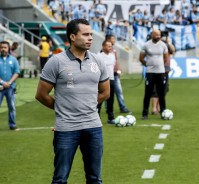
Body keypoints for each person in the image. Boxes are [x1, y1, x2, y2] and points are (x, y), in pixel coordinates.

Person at [35, 19, 110, 184]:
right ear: (73, 37)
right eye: (85, 34)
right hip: (66, 129)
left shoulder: (98, 61)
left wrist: (88, 106)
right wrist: (62, 108)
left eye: (91, 34)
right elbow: (41, 95)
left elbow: (105, 92)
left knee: (95, 179)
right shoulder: (56, 61)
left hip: (93, 127)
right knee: (60, 179)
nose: (90, 38)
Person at [139, 29, 169, 120]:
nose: (158, 36)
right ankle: (145, 114)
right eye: (156, 35)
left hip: (160, 72)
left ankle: (163, 112)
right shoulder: (146, 45)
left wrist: (159, 65)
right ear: (152, 35)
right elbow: (141, 58)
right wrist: (148, 65)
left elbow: (166, 57)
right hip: (150, 73)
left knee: (161, 94)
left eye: (159, 35)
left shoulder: (163, 45)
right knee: (147, 94)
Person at [105, 34, 131, 114]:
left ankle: (122, 107)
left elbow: (116, 62)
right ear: (108, 39)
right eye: (113, 38)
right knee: (108, 93)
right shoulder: (104, 52)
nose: (114, 40)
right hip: (108, 75)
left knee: (119, 91)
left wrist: (118, 70)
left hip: (115, 74)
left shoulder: (114, 50)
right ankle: (108, 108)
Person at [151, 35, 175, 115]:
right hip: (158, 70)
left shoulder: (167, 46)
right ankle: (154, 109)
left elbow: (172, 50)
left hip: (165, 71)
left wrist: (168, 42)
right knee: (156, 90)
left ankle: (158, 107)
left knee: (164, 90)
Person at [0, 41, 20, 130]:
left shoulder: (13, 59)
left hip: (11, 88)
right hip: (0, 87)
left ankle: (12, 125)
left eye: (5, 47)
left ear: (8, 48)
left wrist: (9, 83)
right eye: (1, 47)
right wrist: (2, 82)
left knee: (12, 107)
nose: (3, 49)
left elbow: (17, 72)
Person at [97, 40, 116, 124]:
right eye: (108, 46)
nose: (110, 48)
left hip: (111, 79)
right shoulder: (98, 56)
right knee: (99, 99)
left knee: (111, 99)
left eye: (111, 46)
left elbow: (112, 65)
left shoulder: (112, 55)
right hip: (101, 80)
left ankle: (111, 118)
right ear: (103, 46)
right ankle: (97, 117)